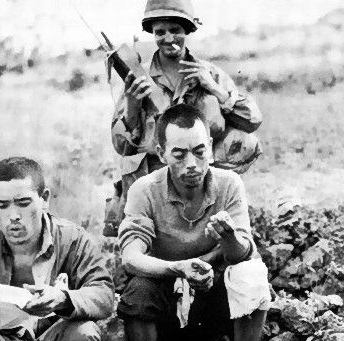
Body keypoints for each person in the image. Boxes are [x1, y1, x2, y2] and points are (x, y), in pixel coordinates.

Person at [117, 104, 269, 341]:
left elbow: (242, 254)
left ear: (210, 147)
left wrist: (229, 238)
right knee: (138, 291)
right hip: (164, 304)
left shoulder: (229, 183)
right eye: (179, 154)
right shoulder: (144, 190)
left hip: (214, 301)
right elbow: (131, 258)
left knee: (251, 272)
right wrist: (177, 269)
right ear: (161, 153)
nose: (191, 164)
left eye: (199, 152)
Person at [105, 0, 263, 236]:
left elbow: (252, 120)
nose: (168, 38)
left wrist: (214, 89)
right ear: (152, 34)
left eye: (175, 30)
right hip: (155, 181)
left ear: (187, 30)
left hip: (202, 177)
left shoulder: (207, 72)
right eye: (160, 32)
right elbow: (121, 146)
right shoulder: (139, 77)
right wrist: (132, 105)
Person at [0, 157, 114, 341]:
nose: (13, 215)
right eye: (2, 205)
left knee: (83, 334)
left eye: (23, 203)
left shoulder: (73, 240)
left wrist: (63, 299)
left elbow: (104, 294)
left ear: (44, 199)